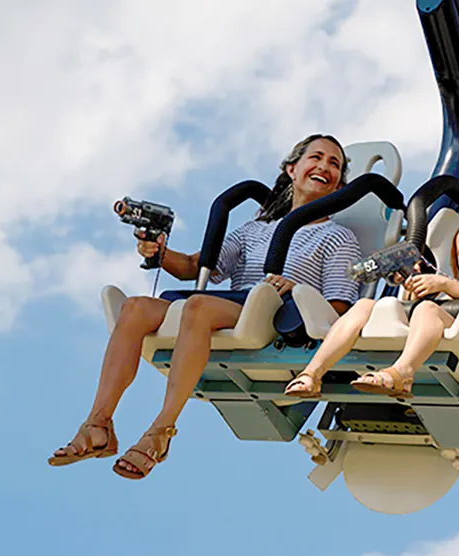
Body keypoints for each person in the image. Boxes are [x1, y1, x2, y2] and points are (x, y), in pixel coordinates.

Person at [48, 134, 364, 479]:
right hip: (234, 305)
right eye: (316, 158)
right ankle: (98, 424)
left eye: (334, 164)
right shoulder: (255, 229)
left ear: (339, 186)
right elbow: (196, 267)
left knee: (198, 307)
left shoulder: (339, 237)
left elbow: (337, 307)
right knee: (135, 308)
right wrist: (159, 252)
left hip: (283, 314)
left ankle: (160, 432)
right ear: (292, 169)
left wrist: (297, 287)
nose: (324, 167)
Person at [284, 218, 459, 399]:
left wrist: (446, 285)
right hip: (443, 338)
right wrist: (413, 289)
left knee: (428, 310)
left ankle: (402, 372)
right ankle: (311, 374)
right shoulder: (447, 292)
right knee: (365, 306)